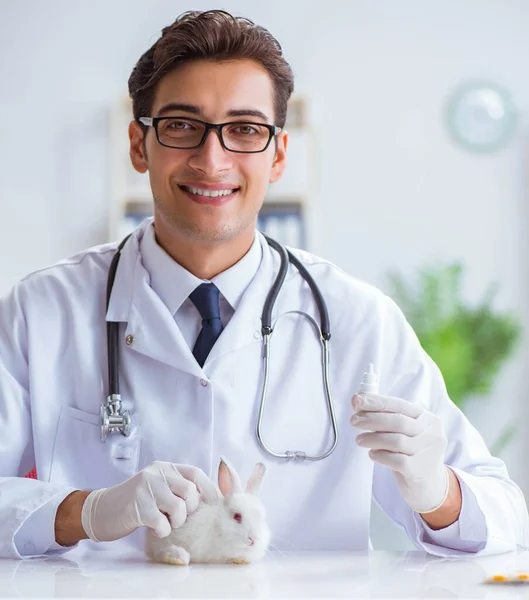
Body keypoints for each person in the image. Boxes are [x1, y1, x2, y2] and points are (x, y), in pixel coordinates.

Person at [0, 9, 527, 561]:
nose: (212, 159)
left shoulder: (358, 320)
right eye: (182, 125)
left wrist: (436, 491)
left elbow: (506, 517)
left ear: (277, 154)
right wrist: (83, 511)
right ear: (139, 145)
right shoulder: (40, 311)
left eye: (245, 130)